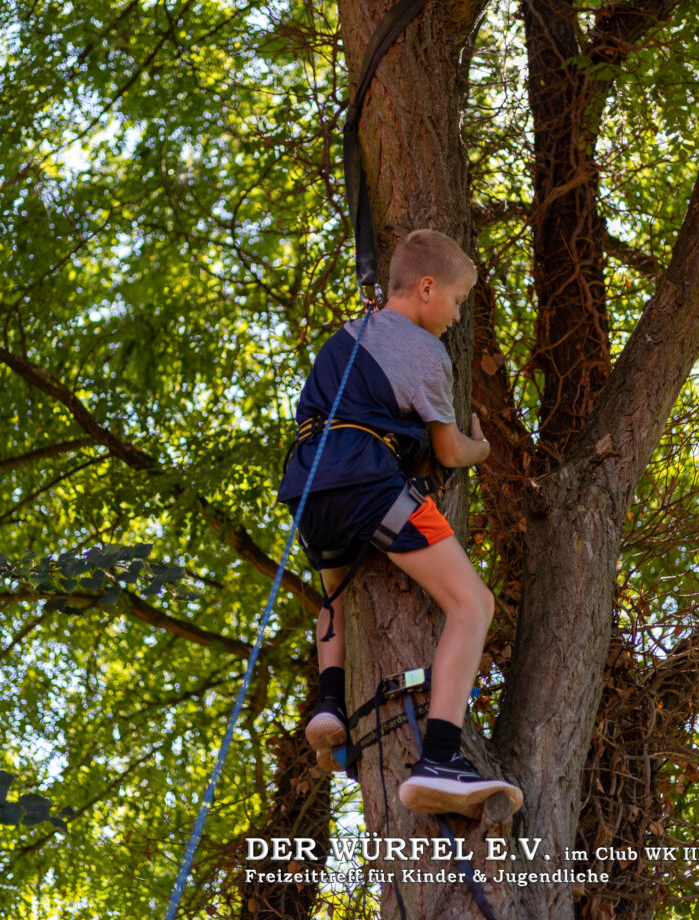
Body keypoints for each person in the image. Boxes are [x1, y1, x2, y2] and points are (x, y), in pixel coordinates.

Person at [277, 229, 522, 819]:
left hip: (309, 487)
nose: (457, 317)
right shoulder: (423, 350)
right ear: (428, 287)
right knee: (473, 604)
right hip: (366, 481)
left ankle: (330, 703)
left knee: (333, 596)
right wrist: (482, 448)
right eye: (458, 302)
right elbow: (446, 451)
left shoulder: (345, 335)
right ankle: (438, 757)